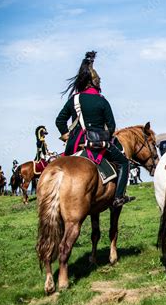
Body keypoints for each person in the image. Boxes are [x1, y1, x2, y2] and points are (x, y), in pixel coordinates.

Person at [55, 51, 131, 208]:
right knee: (124, 162)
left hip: (75, 145)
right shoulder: (101, 100)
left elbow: (59, 120)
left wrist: (66, 135)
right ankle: (118, 198)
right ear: (94, 81)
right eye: (99, 80)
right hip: (98, 143)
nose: (100, 82)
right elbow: (111, 127)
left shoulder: (74, 99)